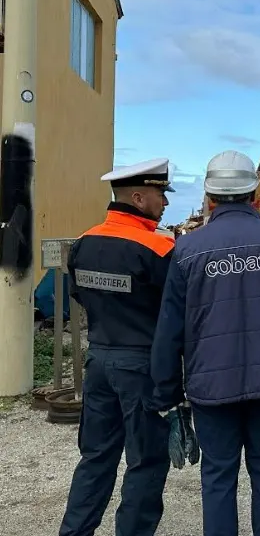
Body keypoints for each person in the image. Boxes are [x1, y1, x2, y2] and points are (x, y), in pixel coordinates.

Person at [150, 150, 260, 536]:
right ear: (255, 193)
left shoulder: (186, 251)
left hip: (211, 388)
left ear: (209, 197)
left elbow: (169, 330)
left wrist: (167, 394)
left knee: (217, 476)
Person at [59, 158, 177, 536]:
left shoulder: (83, 243)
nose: (166, 203)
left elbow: (79, 295)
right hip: (142, 365)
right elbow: (177, 311)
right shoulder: (158, 249)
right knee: (145, 460)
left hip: (99, 362)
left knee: (95, 456)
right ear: (139, 197)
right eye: (161, 194)